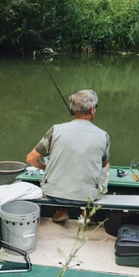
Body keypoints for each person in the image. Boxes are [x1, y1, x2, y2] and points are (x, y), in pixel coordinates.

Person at [26, 89, 110, 222]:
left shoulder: (56, 130)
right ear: (92, 110)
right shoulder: (103, 135)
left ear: (73, 110)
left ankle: (61, 211)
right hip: (87, 196)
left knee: (59, 164)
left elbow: (31, 159)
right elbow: (104, 164)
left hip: (54, 193)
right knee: (104, 167)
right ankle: (88, 213)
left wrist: (46, 167)